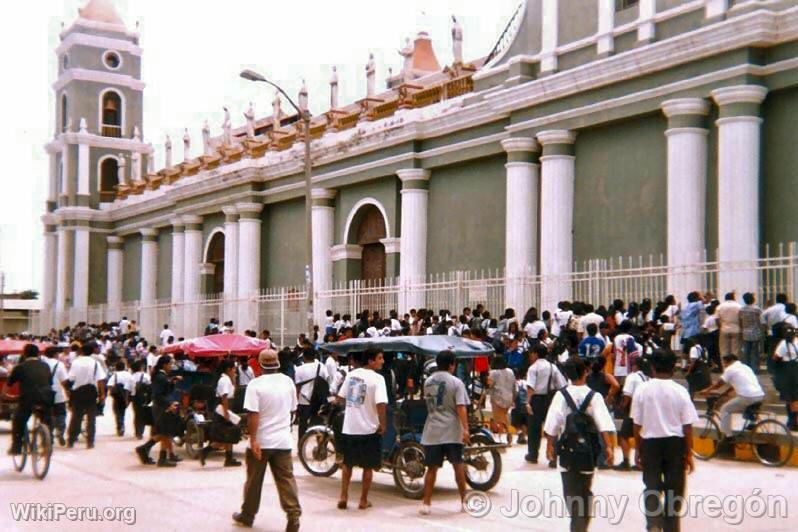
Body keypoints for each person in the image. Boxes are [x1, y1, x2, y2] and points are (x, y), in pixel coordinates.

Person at [544, 357, 615, 532]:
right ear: (586, 372)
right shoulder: (594, 396)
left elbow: (553, 423)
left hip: (567, 452)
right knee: (585, 489)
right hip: (587, 452)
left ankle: (577, 524)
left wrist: (549, 446)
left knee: (570, 491)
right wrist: (608, 446)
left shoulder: (561, 395)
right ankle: (581, 524)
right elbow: (603, 423)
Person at [233, 350, 301, 531]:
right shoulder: (288, 382)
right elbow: (293, 410)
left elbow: (253, 415)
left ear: (260, 365)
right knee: (286, 480)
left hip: (262, 442)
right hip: (283, 441)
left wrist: (253, 440)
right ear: (277, 363)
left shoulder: (255, 385)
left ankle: (247, 515)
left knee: (254, 481)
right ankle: (293, 515)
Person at [632, 350, 699, 532]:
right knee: (674, 489)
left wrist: (638, 449)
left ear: (652, 367)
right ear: (673, 368)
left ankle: (653, 522)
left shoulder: (642, 389)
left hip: (650, 443)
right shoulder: (680, 391)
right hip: (674, 445)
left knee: (651, 485)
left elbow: (637, 424)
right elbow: (687, 427)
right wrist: (689, 453)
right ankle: (671, 527)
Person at [418, 351, 470, 515]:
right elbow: (461, 407)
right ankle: (464, 501)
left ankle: (426, 503)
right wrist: (466, 429)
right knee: (458, 466)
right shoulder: (456, 382)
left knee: (431, 468)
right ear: (451, 364)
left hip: (433, 429)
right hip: (452, 431)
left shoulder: (428, 382)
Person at [335, 347, 387, 510]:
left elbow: (341, 398)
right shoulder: (378, 379)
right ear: (371, 361)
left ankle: (343, 496)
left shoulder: (351, 375)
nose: (382, 361)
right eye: (380, 358)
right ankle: (363, 500)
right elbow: (381, 404)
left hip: (350, 427)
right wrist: (383, 424)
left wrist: (354, 407)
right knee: (367, 466)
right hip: (369, 429)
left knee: (347, 464)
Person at [699, 353, 765, 445]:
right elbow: (736, 384)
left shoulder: (730, 369)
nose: (724, 365)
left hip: (747, 397)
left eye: (724, 363)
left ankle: (728, 436)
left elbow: (719, 384)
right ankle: (752, 423)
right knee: (745, 405)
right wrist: (726, 393)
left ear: (728, 362)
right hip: (759, 395)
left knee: (725, 409)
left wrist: (707, 390)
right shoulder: (745, 367)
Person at [135, 355, 182, 467]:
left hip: (163, 407)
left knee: (164, 433)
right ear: (165, 365)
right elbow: (158, 395)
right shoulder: (160, 377)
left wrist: (172, 382)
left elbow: (165, 391)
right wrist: (169, 405)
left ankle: (149, 451)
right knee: (164, 433)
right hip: (162, 408)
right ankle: (158, 456)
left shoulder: (163, 376)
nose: (172, 366)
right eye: (170, 364)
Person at [6, 344, 53, 455]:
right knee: (47, 419)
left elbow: (9, 384)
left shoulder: (20, 367)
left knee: (18, 421)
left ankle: (16, 447)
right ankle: (48, 441)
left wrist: (4, 395)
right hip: (46, 397)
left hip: (28, 399)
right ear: (38, 354)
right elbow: (50, 382)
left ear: (24, 353)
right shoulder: (45, 366)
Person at [526, 345, 566, 465]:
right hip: (550, 399)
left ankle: (533, 454)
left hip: (536, 400)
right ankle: (553, 457)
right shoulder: (552, 367)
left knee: (534, 429)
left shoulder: (533, 368)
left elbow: (530, 387)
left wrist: (527, 402)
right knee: (552, 428)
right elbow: (562, 385)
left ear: (535, 354)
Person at [200, 360, 242, 467]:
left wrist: (234, 380)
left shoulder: (228, 380)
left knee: (230, 434)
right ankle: (205, 451)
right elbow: (224, 397)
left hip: (227, 408)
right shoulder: (224, 380)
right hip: (223, 409)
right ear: (228, 369)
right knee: (224, 437)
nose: (235, 371)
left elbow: (233, 392)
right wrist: (226, 413)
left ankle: (229, 458)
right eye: (233, 369)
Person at [67, 342, 107, 449]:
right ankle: (90, 442)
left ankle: (71, 440)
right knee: (91, 418)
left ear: (82, 351)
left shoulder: (76, 362)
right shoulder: (95, 363)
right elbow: (100, 380)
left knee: (76, 417)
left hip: (78, 392)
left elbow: (71, 378)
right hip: (91, 392)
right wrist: (102, 394)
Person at [614, 357, 650, 471]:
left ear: (635, 365)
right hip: (646, 410)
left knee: (624, 435)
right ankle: (641, 462)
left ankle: (626, 461)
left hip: (633, 410)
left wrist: (622, 406)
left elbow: (627, 395)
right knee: (641, 436)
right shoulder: (647, 378)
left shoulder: (632, 377)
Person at [294, 348, 328, 441]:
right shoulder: (322, 367)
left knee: (303, 426)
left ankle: (301, 445)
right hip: (318, 400)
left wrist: (295, 402)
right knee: (319, 425)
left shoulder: (299, 369)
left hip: (304, 400)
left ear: (304, 357)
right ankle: (320, 448)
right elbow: (327, 381)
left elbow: (297, 387)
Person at [42, 346, 69, 446]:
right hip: (57, 394)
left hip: (44, 394)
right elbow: (64, 381)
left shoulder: (42, 364)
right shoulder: (59, 364)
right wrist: (68, 392)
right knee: (61, 414)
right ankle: (60, 432)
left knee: (47, 416)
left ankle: (49, 437)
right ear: (55, 354)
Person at [772, 326, 798, 431]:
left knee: (790, 398)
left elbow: (775, 357)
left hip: (788, 373)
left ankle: (792, 422)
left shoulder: (783, 343)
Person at [487, 356, 515, 445]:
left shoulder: (494, 373)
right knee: (503, 416)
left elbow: (489, 384)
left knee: (498, 418)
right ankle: (508, 434)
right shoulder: (511, 371)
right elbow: (514, 386)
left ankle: (499, 437)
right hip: (509, 398)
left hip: (497, 398)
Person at [107, 360, 133, 437]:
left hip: (118, 396)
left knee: (118, 412)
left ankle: (120, 427)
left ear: (116, 367)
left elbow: (109, 385)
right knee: (122, 411)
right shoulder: (128, 374)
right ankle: (121, 426)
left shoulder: (115, 375)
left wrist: (112, 392)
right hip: (127, 395)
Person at [739, 292, 764, 372]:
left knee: (746, 351)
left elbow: (740, 321)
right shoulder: (757, 309)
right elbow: (761, 321)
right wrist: (762, 331)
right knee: (755, 352)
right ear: (753, 299)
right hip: (756, 332)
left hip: (745, 332)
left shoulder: (742, 309)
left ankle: (746, 368)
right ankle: (755, 368)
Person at [130, 360, 151, 439]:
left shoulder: (131, 376)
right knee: (143, 414)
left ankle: (137, 432)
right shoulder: (146, 376)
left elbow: (129, 389)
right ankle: (141, 432)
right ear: (140, 367)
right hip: (144, 397)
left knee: (136, 414)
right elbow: (150, 386)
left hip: (135, 397)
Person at [717, 292, 742, 356]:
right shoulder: (739, 306)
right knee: (735, 350)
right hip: (736, 329)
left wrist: (720, 327)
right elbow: (741, 318)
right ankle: (735, 364)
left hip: (724, 329)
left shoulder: (720, 307)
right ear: (734, 298)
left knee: (724, 350)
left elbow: (716, 319)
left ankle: (726, 365)